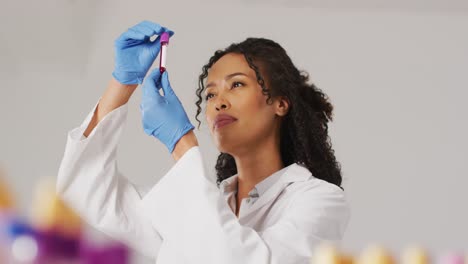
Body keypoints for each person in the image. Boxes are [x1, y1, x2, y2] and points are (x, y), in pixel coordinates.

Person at [56, 20, 350, 264]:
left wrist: (181, 144)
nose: (218, 102)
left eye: (236, 84)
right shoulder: (198, 201)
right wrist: (123, 81)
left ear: (280, 104)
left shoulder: (318, 201)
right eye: (210, 94)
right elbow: (85, 192)